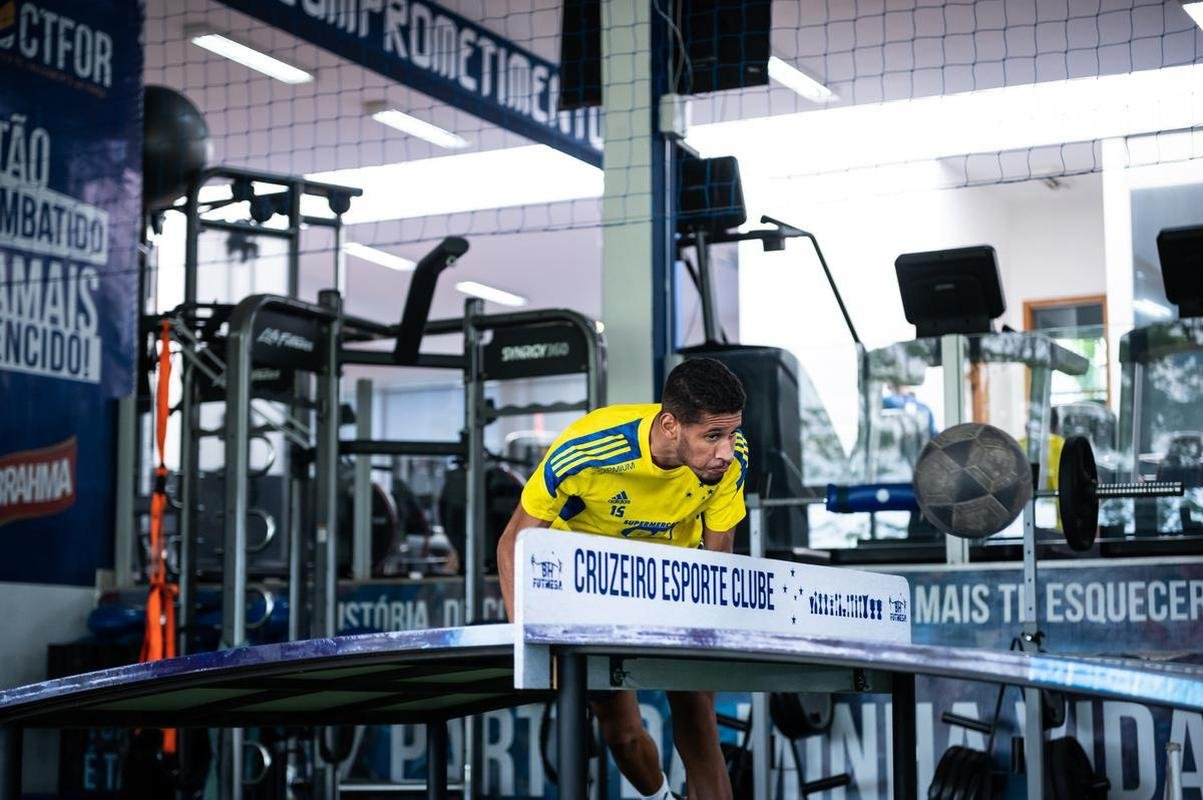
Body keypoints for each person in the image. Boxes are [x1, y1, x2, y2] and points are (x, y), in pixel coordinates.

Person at [497, 357, 749, 800]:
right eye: (713, 436)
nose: (726, 449)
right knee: (623, 736)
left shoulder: (731, 460)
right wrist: (529, 646)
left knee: (698, 722)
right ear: (671, 425)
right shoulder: (588, 449)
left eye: (731, 434)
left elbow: (720, 553)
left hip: (675, 580)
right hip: (589, 585)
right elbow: (513, 542)